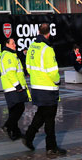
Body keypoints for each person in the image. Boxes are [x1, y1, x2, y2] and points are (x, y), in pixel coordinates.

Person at [22, 23, 66, 156]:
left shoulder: (32, 47)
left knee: (41, 114)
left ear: (38, 31)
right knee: (49, 119)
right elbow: (53, 72)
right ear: (49, 33)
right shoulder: (47, 49)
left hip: (36, 87)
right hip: (48, 88)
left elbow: (28, 68)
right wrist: (58, 81)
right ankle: (51, 147)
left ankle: (29, 137)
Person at [0, 38, 30, 141]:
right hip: (12, 88)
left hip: (12, 87)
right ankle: (8, 126)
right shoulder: (8, 56)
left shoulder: (12, 54)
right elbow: (10, 73)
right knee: (19, 108)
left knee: (14, 110)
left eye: (15, 43)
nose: (15, 45)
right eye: (12, 43)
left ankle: (15, 132)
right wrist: (18, 86)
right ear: (7, 44)